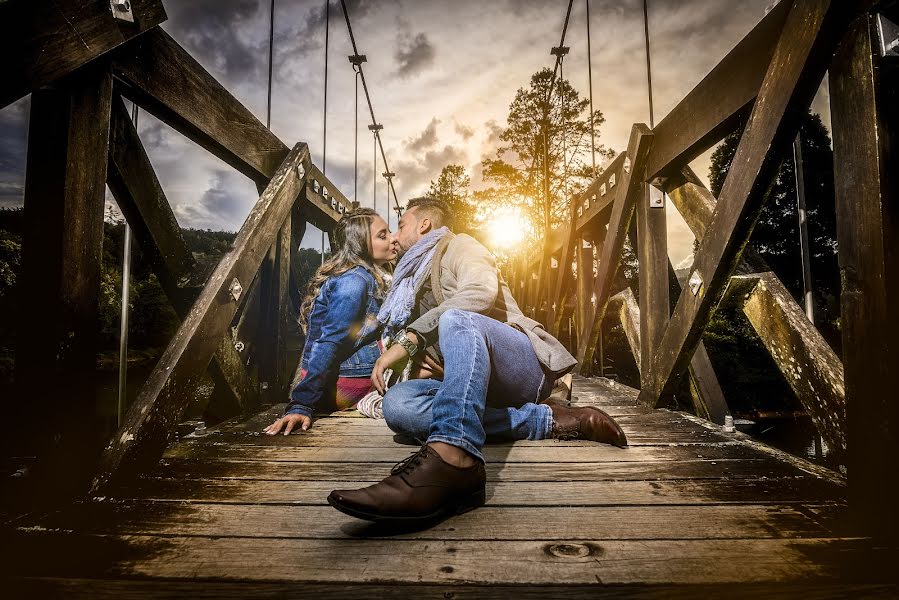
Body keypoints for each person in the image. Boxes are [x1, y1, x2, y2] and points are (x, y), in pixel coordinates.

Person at [327, 197, 627, 522]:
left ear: (424, 224)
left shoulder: (461, 246)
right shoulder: (409, 279)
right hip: (473, 380)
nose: (396, 236)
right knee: (399, 406)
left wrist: (411, 340)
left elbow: (478, 294)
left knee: (457, 318)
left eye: (401, 225)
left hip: (519, 367)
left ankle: (454, 459)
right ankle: (544, 420)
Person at [264, 208, 397, 435]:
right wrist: (302, 403)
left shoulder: (364, 276)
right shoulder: (355, 281)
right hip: (343, 385)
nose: (394, 238)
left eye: (390, 231)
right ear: (361, 244)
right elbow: (330, 340)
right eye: (382, 235)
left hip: (347, 380)